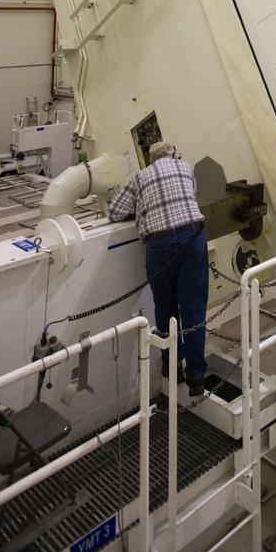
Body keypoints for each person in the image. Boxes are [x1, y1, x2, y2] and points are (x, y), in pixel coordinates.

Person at [108, 140, 208, 402]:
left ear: (151, 160)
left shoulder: (141, 177)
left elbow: (114, 211)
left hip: (159, 246)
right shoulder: (185, 168)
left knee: (165, 309)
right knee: (194, 309)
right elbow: (191, 198)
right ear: (173, 155)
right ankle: (196, 377)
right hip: (192, 239)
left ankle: (171, 367)